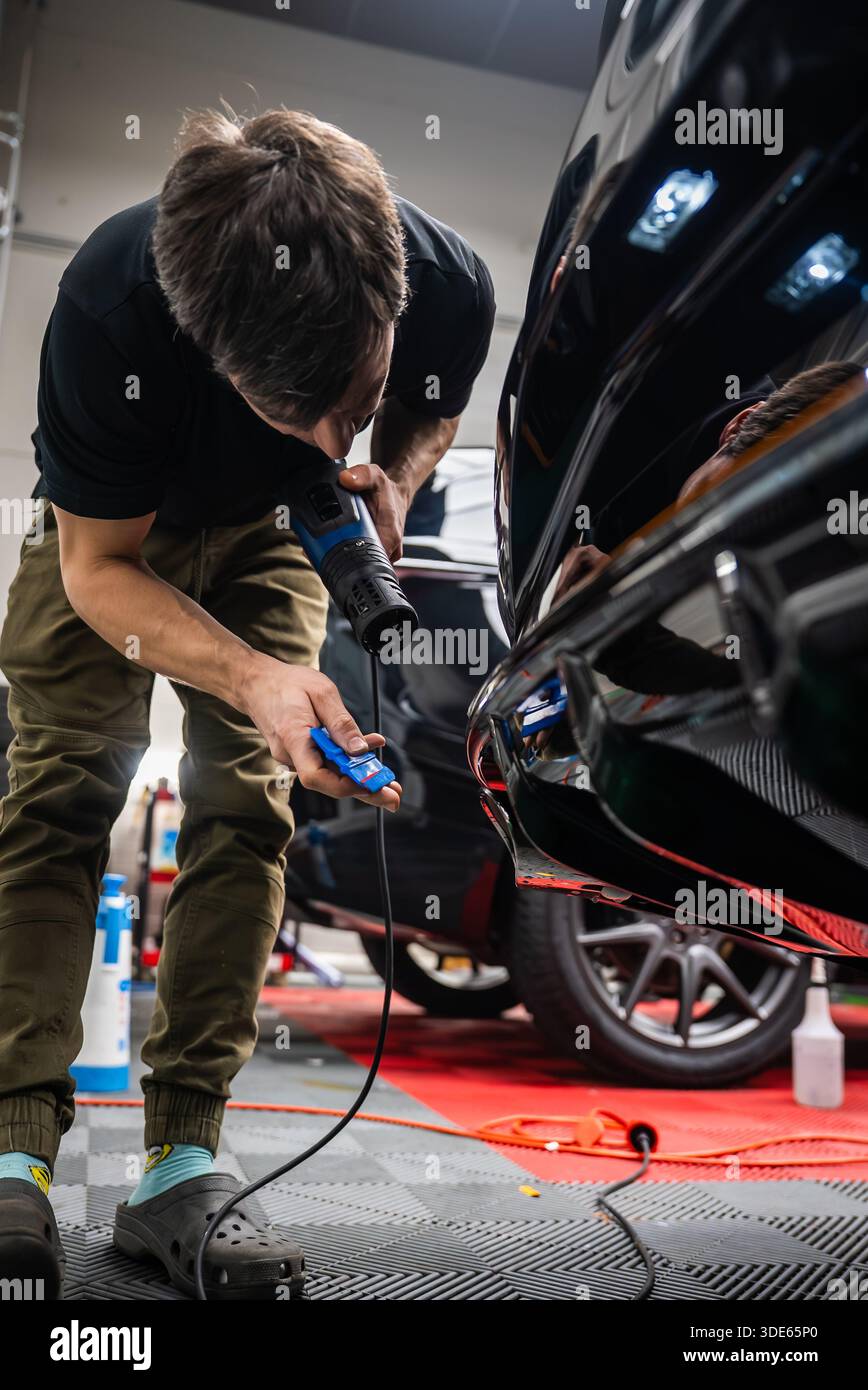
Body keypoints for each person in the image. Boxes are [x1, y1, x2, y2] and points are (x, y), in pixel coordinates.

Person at [0, 106, 494, 1299]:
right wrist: (254, 674)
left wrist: (394, 474)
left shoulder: (450, 284)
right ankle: (13, 1149)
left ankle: (179, 1163)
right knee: (67, 789)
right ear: (207, 347)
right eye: (303, 416)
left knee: (249, 798)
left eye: (352, 400)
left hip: (270, 532)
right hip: (115, 528)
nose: (340, 436)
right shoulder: (112, 307)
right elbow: (96, 570)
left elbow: (428, 402)